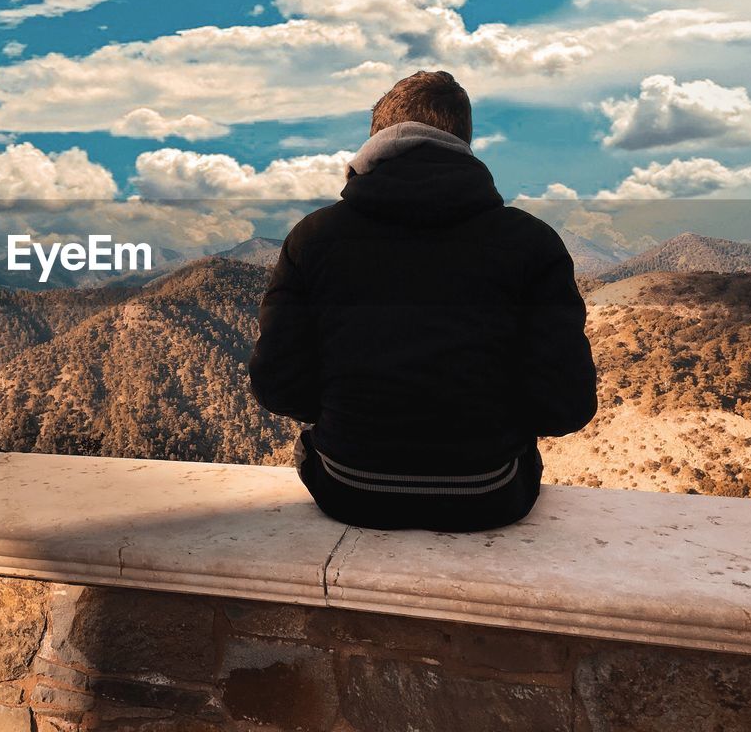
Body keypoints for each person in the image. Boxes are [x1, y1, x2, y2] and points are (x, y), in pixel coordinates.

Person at [248, 70, 596, 532]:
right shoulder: (534, 244)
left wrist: (353, 413)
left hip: (351, 489)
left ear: (375, 142)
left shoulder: (313, 238)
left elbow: (278, 385)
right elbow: (565, 406)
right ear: (464, 141)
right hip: (488, 494)